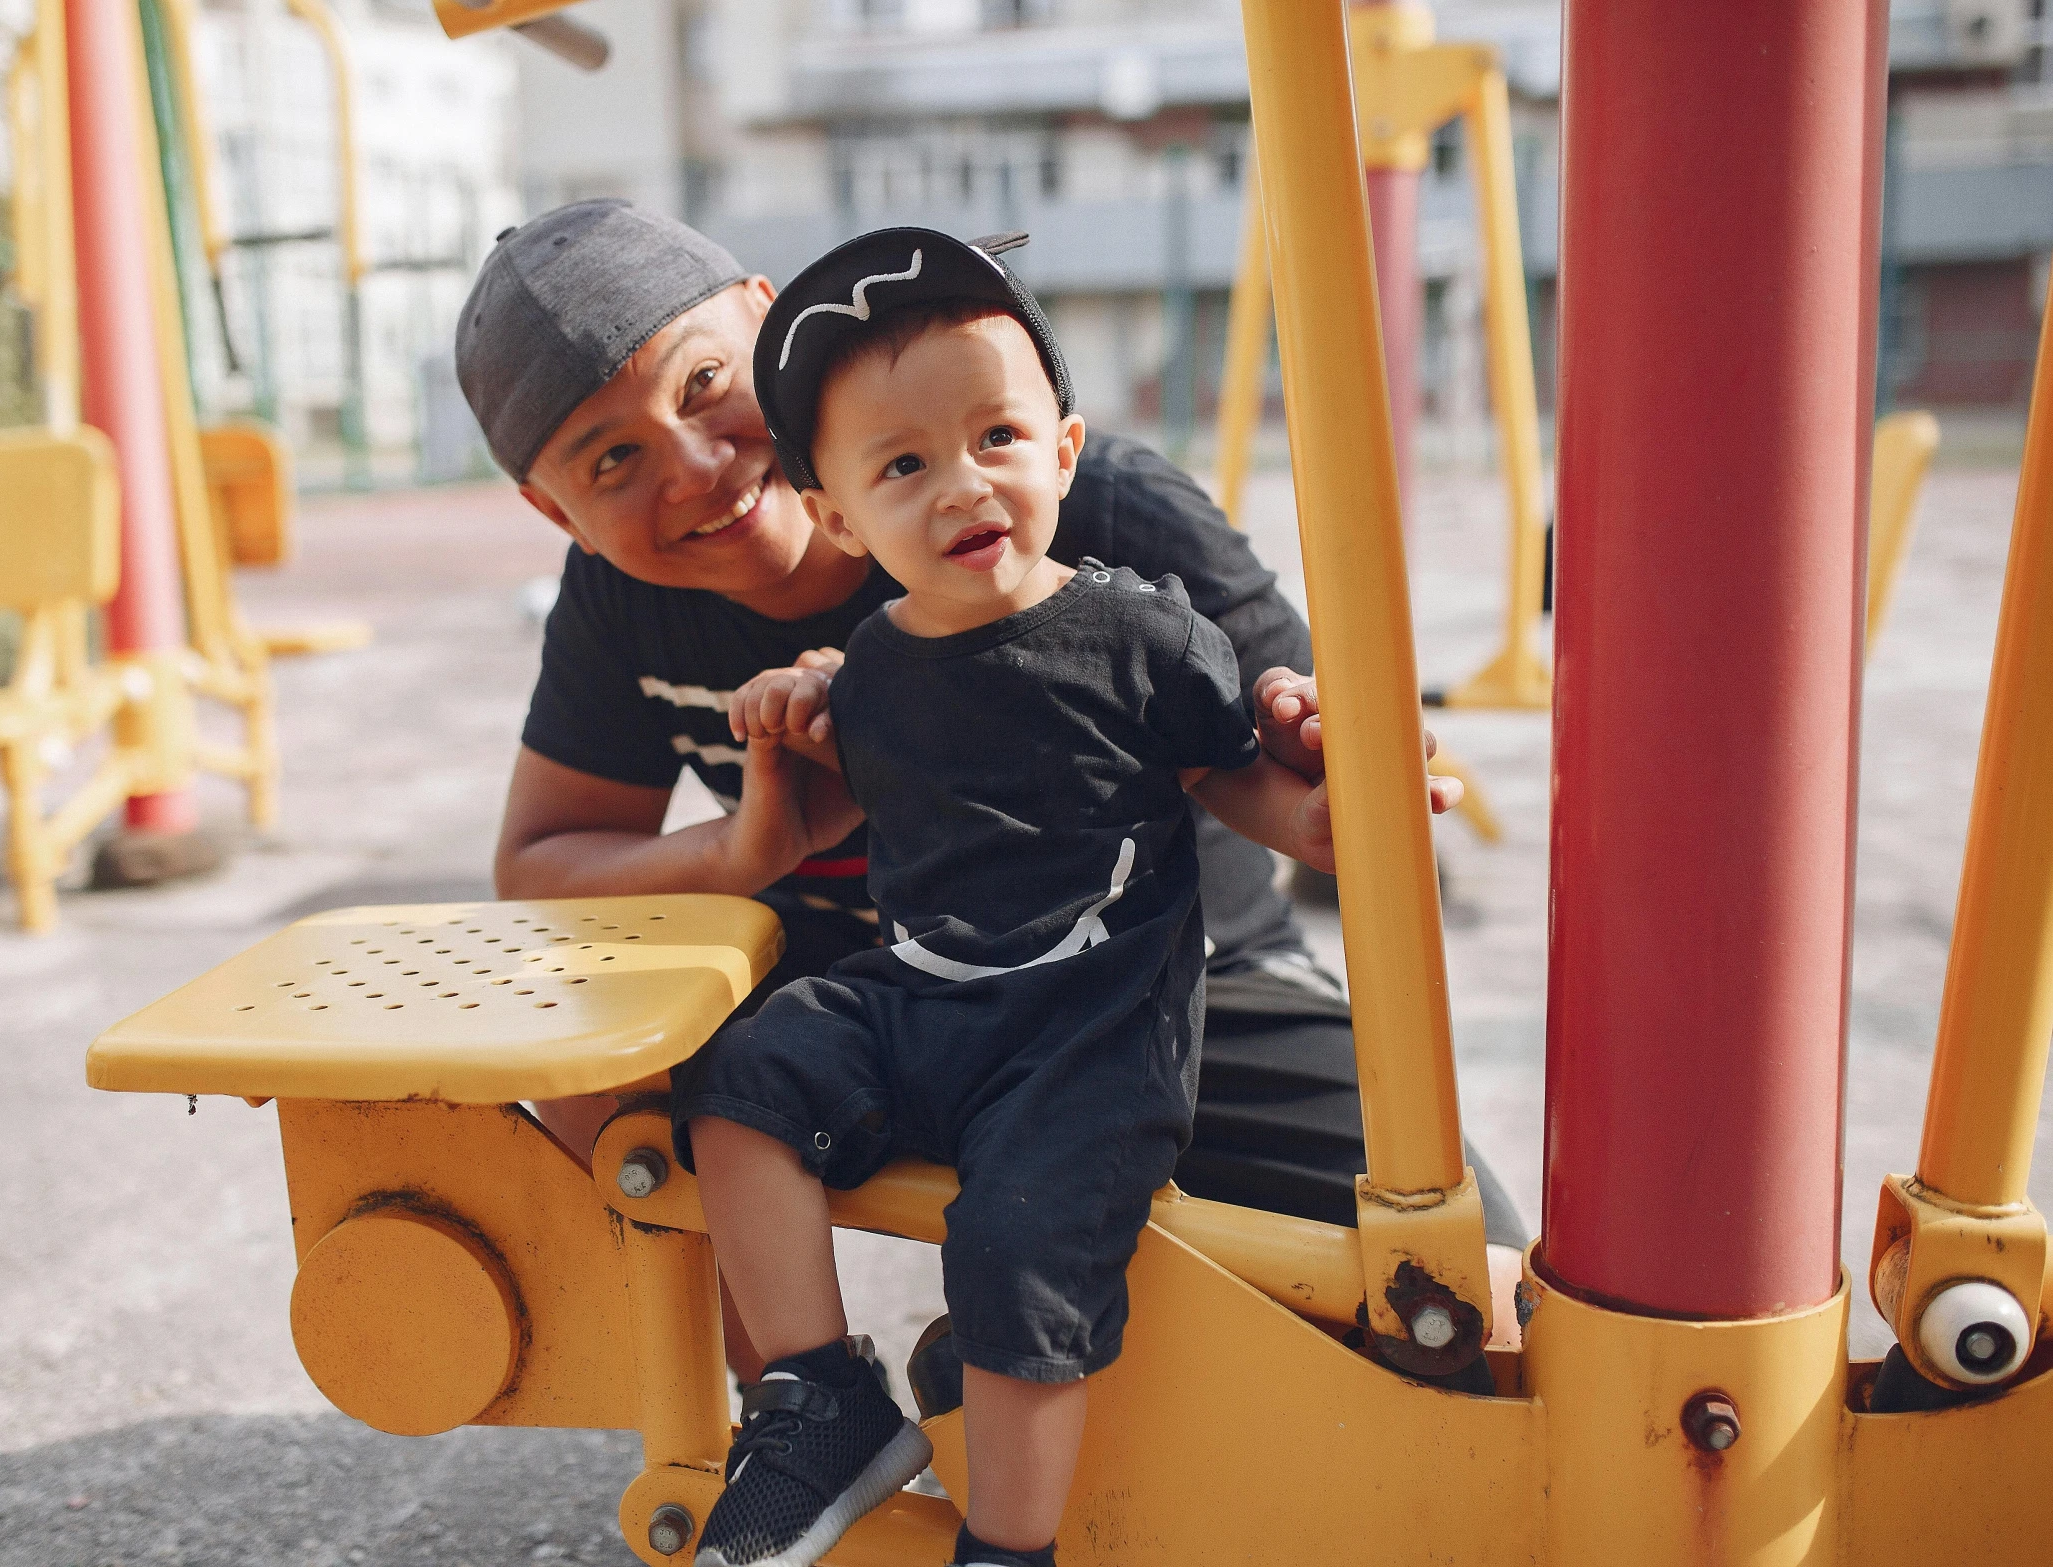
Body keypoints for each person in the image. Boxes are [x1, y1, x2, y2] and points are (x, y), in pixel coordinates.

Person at [456, 199, 1528, 1362]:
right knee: (599, 1073)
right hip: (875, 994)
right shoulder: (622, 599)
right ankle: (796, 1418)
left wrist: (1324, 741)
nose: (700, 468)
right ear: (550, 509)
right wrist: (740, 853)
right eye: (613, 460)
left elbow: (1303, 731)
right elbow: (544, 865)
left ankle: (1087, 1358)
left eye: (706, 383)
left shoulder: (1089, 511)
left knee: (1479, 1306)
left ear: (768, 321)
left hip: (1154, 969)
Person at [670, 230, 1468, 1567]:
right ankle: (818, 1394)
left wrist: (1330, 817)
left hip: (1091, 1027)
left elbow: (1232, 779)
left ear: (1065, 448)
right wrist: (789, 717)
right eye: (903, 465)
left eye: (995, 434)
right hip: (923, 995)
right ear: (840, 517)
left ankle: (1008, 1545)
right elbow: (857, 785)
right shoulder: (867, 664)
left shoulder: (1140, 631)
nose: (962, 482)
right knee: (742, 1078)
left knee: (1018, 1243)